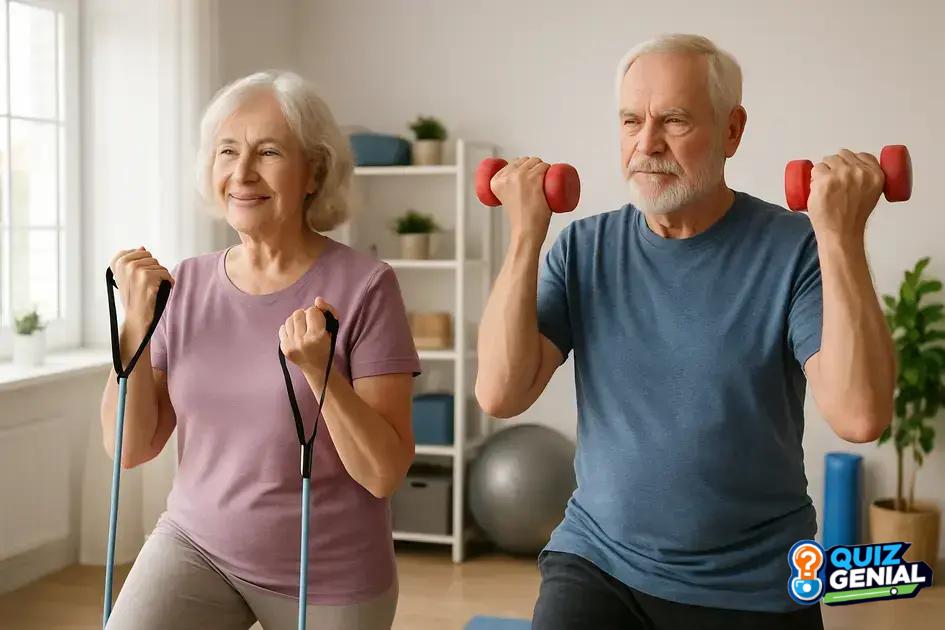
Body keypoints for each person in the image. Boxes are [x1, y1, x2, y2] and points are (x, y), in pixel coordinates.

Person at [475, 33, 895, 630]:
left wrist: (841, 237)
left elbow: (860, 415)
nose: (646, 144)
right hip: (599, 560)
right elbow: (500, 393)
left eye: (673, 120)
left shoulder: (795, 250)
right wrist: (524, 236)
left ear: (732, 131)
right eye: (631, 121)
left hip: (752, 582)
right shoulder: (583, 249)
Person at [100, 70, 420, 630]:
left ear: (314, 173)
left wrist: (322, 375)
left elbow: (383, 473)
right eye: (228, 151)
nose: (242, 172)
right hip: (197, 546)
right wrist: (135, 325)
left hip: (328, 572)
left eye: (268, 152)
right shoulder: (187, 283)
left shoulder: (367, 286)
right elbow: (131, 448)